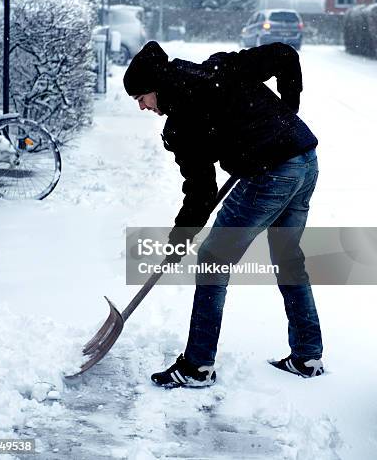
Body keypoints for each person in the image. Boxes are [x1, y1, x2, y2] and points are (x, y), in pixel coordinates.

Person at [123, 40, 323, 388]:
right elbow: (284, 55)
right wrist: (287, 121)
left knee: (213, 259)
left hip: (273, 172)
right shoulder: (220, 68)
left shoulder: (182, 123)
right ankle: (307, 355)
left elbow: (200, 193)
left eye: (141, 98)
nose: (142, 107)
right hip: (304, 160)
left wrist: (179, 240)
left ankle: (197, 366)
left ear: (156, 88)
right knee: (287, 255)